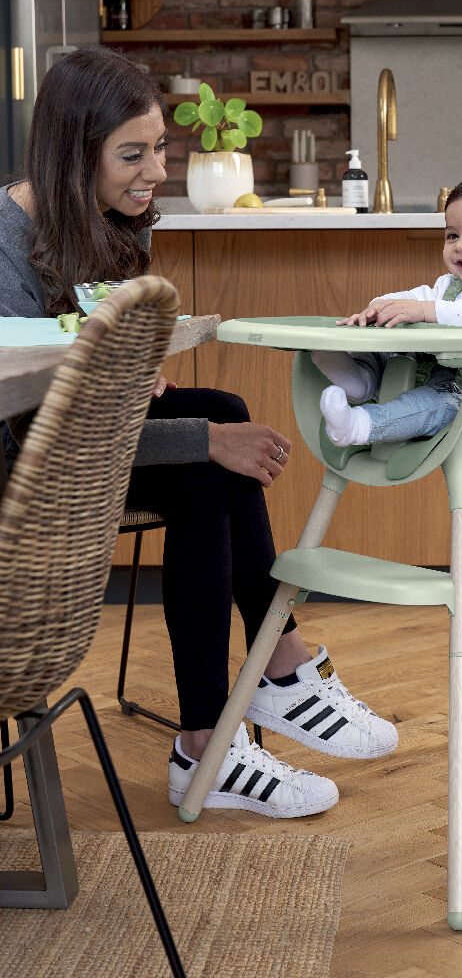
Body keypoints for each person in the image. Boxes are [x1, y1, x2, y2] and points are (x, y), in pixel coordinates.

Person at [0, 46, 397, 820]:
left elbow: (94, 369)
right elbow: (32, 437)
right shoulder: (3, 247)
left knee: (220, 408)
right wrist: (200, 441)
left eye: (159, 148)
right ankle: (253, 695)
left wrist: (138, 371)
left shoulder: (110, 218)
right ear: (72, 154)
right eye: (132, 154)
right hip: (24, 469)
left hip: (78, 438)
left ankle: (233, 717)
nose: (155, 171)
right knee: (211, 452)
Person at [315, 171, 462, 448]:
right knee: (391, 348)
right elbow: (414, 297)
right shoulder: (451, 285)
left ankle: (361, 425)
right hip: (442, 380)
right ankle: (360, 378)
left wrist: (425, 311)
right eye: (452, 235)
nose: (461, 245)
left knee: (429, 404)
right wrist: (381, 306)